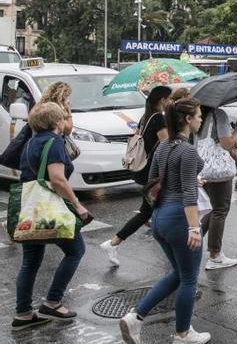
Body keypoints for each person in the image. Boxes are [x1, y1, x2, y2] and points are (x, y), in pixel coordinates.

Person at [119, 98, 211, 344]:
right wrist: (194, 227)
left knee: (179, 274)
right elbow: (188, 194)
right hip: (180, 219)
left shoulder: (163, 146)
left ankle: (135, 317)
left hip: (159, 217)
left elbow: (153, 183)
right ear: (188, 120)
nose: (201, 119)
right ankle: (183, 333)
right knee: (190, 277)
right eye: (199, 115)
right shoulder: (188, 150)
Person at [13, 102, 89, 331]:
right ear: (57, 122)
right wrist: (77, 205)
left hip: (31, 209)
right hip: (50, 208)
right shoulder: (54, 142)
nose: (67, 121)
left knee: (30, 262)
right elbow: (57, 179)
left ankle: (23, 314)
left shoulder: (30, 142)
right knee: (76, 251)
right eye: (65, 118)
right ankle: (52, 302)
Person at [100, 86, 173, 266]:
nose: (171, 102)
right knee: (145, 212)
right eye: (170, 98)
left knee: (152, 210)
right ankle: (113, 243)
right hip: (154, 172)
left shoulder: (146, 116)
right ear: (163, 100)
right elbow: (166, 145)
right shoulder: (158, 118)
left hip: (146, 170)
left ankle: (166, 240)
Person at [197, 106, 237, 270]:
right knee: (220, 209)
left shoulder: (200, 114)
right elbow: (226, 144)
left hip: (203, 167)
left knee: (212, 209)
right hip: (218, 171)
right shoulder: (218, 114)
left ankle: (193, 239)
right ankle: (215, 255)